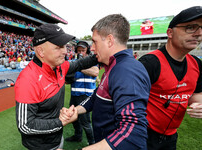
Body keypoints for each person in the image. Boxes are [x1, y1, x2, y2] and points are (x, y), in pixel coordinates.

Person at [61, 14, 151, 150]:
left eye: (95, 42)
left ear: (109, 40)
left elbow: (133, 134)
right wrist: (77, 111)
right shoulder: (114, 65)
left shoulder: (126, 70)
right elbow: (96, 97)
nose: (91, 48)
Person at [14, 23, 98, 150]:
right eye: (58, 47)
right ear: (41, 51)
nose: (65, 51)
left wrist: (99, 56)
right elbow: (25, 125)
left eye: (64, 46)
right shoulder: (28, 79)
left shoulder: (60, 66)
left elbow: (80, 63)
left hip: (57, 138)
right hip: (40, 146)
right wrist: (61, 122)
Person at [138, 6, 202, 150]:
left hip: (171, 138)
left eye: (201, 28)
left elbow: (196, 97)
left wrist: (198, 106)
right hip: (144, 135)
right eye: (191, 27)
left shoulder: (197, 64)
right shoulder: (150, 63)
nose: (199, 33)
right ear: (170, 33)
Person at [65, 41, 99, 145]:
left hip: (86, 96)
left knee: (85, 122)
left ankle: (92, 142)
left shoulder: (92, 61)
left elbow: (95, 72)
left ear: (87, 51)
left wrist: (79, 66)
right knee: (73, 118)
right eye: (79, 50)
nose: (80, 52)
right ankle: (77, 136)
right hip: (74, 95)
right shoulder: (73, 62)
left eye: (83, 50)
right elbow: (67, 79)